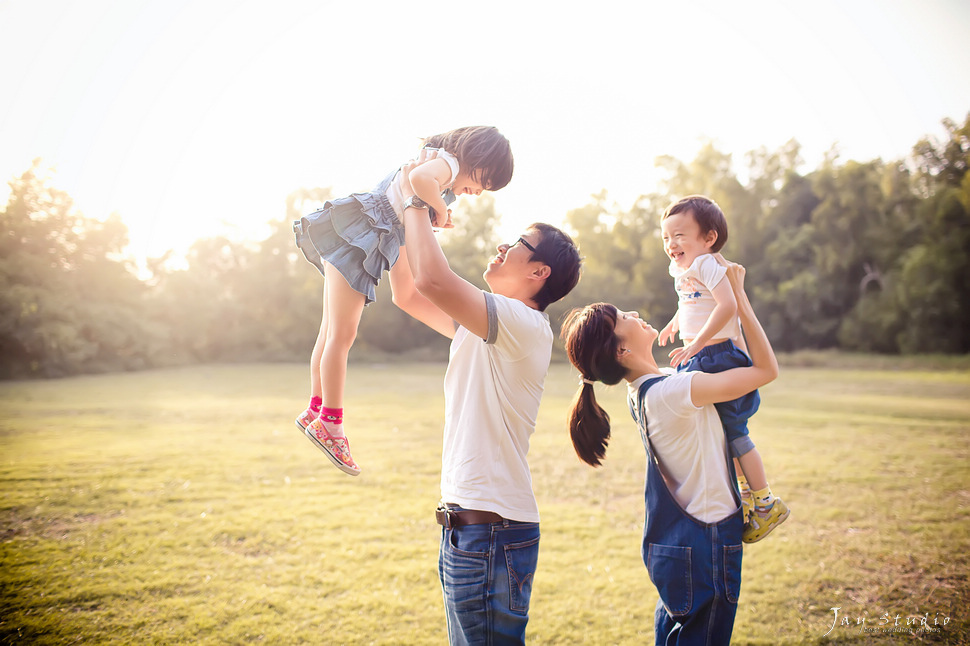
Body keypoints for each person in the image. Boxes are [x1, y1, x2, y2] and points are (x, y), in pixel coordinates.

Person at [390, 154, 582, 645]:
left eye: (517, 243)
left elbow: (433, 280)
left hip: (490, 535)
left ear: (539, 271)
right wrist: (395, 209)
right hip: (471, 531)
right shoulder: (485, 325)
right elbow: (411, 292)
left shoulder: (521, 325)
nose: (503, 245)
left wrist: (418, 196)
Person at [561, 256, 778, 644]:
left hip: (678, 545)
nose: (631, 312)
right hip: (707, 542)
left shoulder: (650, 390)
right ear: (621, 351)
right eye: (620, 317)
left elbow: (731, 356)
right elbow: (764, 370)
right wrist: (738, 298)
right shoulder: (676, 391)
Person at [292, 126, 514, 475]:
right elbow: (422, 180)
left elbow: (407, 285)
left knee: (330, 332)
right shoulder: (449, 165)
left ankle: (317, 408)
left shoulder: (443, 167)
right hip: (361, 237)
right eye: (486, 181)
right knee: (341, 336)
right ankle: (331, 424)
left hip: (368, 233)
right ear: (479, 159)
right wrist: (440, 208)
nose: (480, 192)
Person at [657, 195, 789, 542]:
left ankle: (765, 501)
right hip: (701, 354)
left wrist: (697, 342)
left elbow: (727, 305)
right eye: (666, 237)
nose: (671, 244)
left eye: (679, 235)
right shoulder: (684, 270)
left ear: (709, 238)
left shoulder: (708, 265)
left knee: (735, 433)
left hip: (719, 356)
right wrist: (675, 325)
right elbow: (692, 302)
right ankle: (745, 495)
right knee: (718, 434)